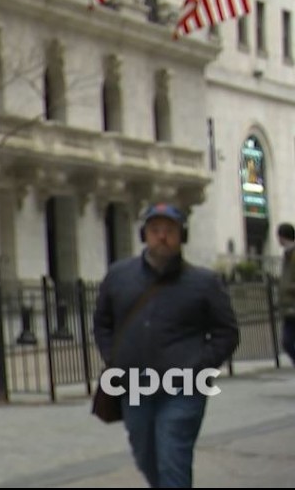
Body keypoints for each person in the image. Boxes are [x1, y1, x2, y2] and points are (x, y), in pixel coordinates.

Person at [92, 203, 239, 489]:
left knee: (173, 455)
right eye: (155, 230)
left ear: (181, 236)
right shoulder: (119, 276)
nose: (162, 237)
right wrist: (114, 357)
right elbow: (102, 323)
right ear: (144, 235)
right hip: (134, 384)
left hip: (183, 387)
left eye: (169, 231)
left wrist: (199, 367)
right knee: (145, 454)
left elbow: (227, 333)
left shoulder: (203, 282)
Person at [277, 222, 295, 367]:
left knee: (288, 342)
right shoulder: (286, 255)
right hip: (288, 308)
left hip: (293, 305)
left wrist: (289, 288)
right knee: (287, 342)